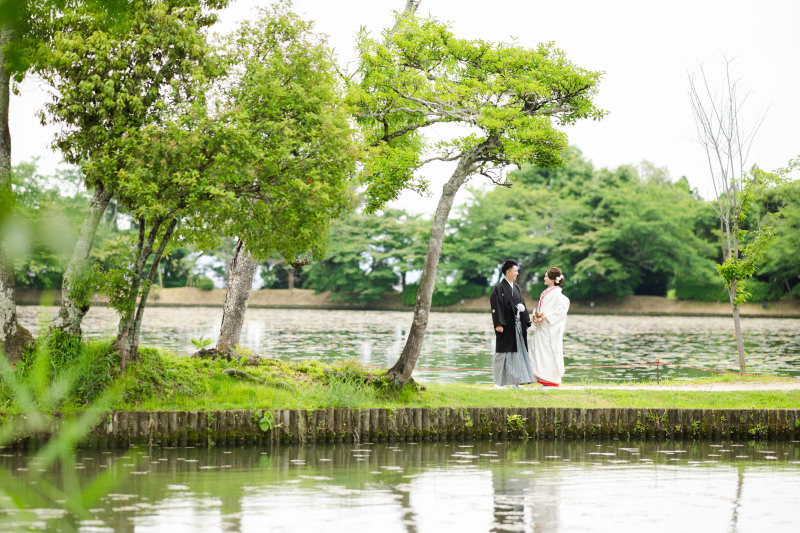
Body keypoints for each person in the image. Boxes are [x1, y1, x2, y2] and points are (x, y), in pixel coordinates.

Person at [489, 259, 535, 389]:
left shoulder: (516, 287)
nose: (517, 273)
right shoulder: (499, 288)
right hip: (506, 325)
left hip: (517, 325)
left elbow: (523, 305)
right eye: (515, 271)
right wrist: (498, 324)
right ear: (508, 272)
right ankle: (499, 383)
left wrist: (526, 321)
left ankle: (515, 382)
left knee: (517, 353)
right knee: (503, 353)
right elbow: (496, 306)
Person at [530, 267, 570, 388]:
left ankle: (551, 381)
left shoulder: (559, 296)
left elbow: (560, 312)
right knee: (535, 352)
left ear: (553, 279)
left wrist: (546, 317)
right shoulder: (546, 292)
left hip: (549, 330)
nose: (544, 278)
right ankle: (542, 380)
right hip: (542, 328)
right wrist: (537, 316)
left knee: (549, 354)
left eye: (546, 276)